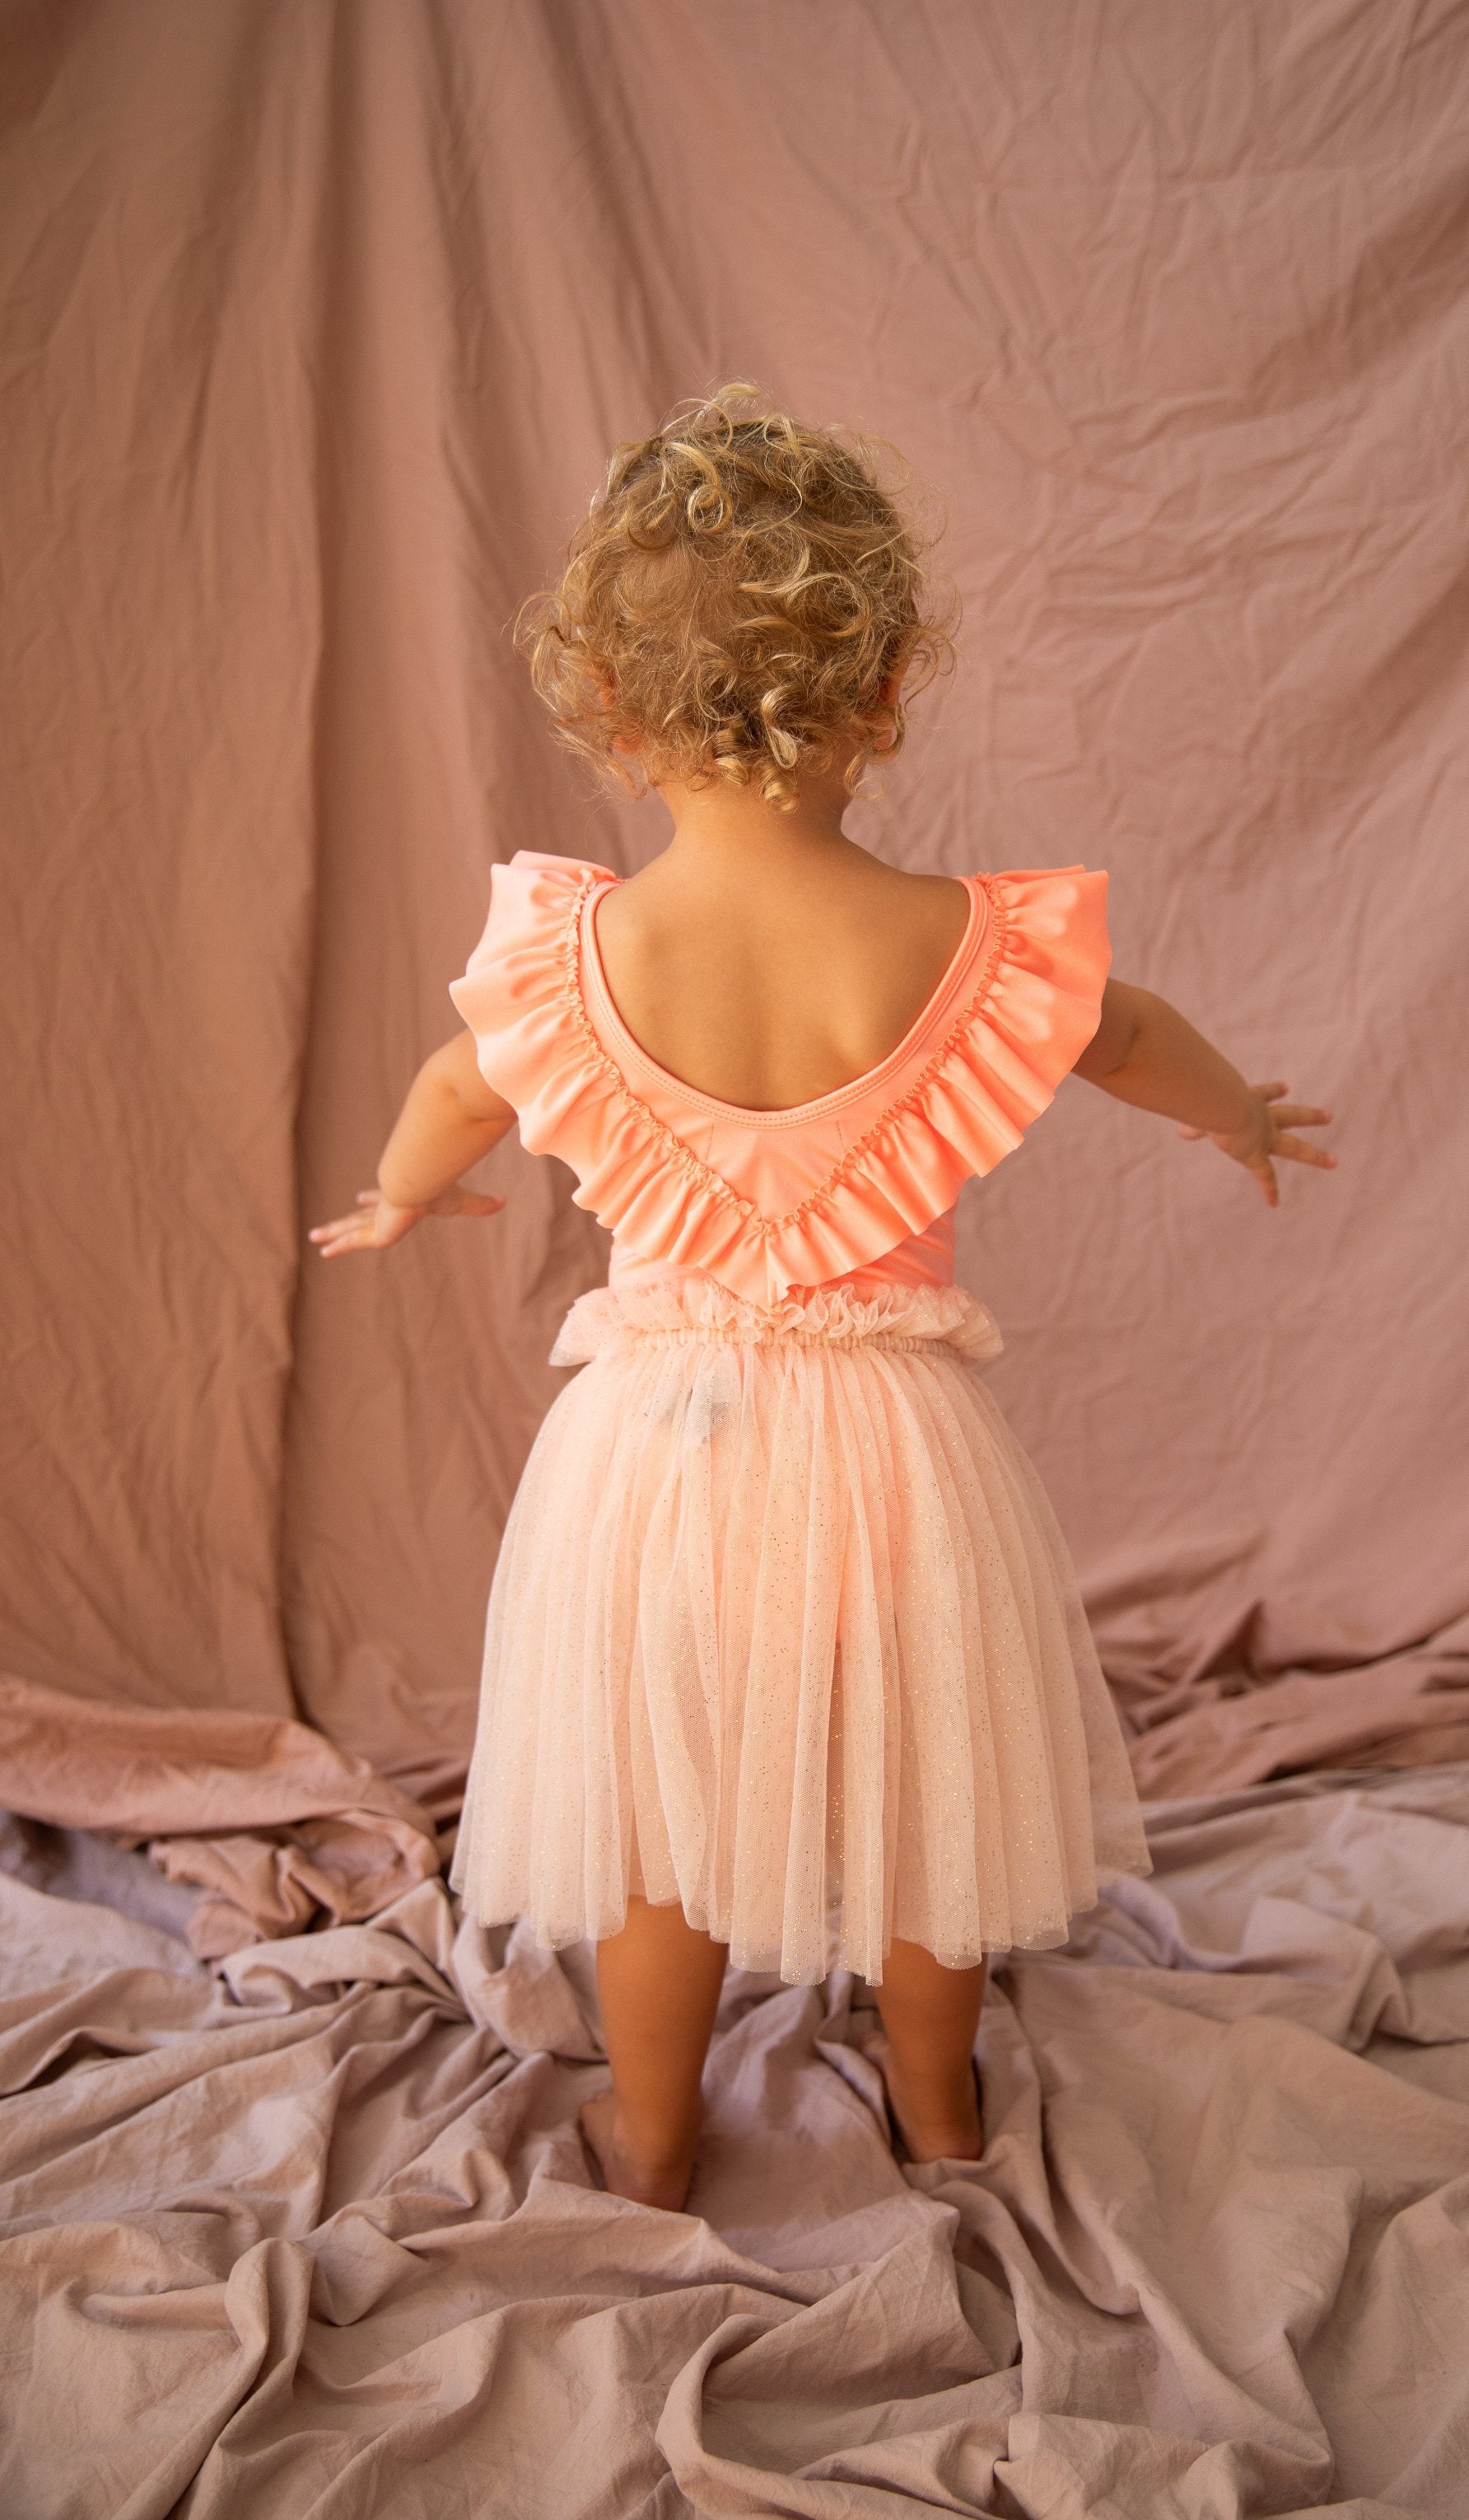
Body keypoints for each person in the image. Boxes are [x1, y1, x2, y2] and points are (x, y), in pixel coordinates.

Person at [308, 385, 1336, 2214]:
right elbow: (1125, 1034)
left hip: (654, 1464)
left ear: (610, 716)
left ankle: (651, 2131)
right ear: (878, 697)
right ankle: (938, 2105)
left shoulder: (580, 956)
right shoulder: (962, 943)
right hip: (890, 1460)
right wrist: (1236, 1116)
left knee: (652, 1824)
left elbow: (460, 1086)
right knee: (937, 1799)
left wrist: (400, 1196)